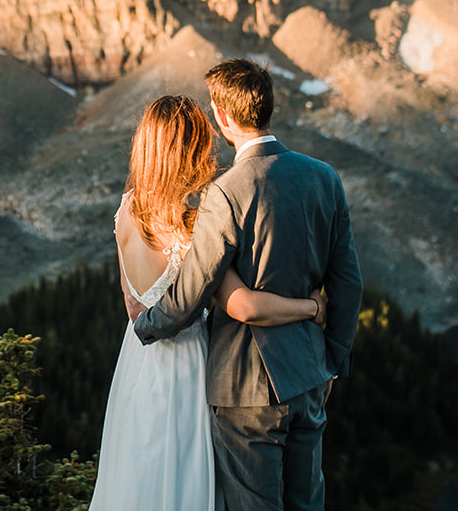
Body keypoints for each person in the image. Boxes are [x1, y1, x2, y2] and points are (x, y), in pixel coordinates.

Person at [134, 59, 363, 511]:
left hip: (246, 388)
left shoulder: (227, 191)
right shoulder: (324, 177)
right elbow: (349, 282)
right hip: (310, 374)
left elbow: (192, 289)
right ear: (268, 108)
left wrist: (145, 326)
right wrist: (333, 359)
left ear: (222, 117)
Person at [91, 94, 327, 511]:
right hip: (190, 366)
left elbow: (132, 306)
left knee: (139, 471)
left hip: (137, 361)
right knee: (188, 475)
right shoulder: (195, 225)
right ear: (191, 152)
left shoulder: (126, 210)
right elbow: (243, 305)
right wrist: (310, 308)